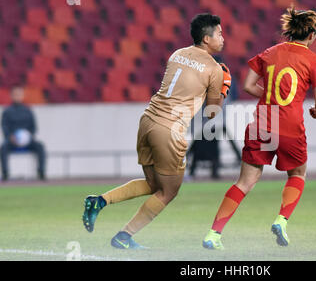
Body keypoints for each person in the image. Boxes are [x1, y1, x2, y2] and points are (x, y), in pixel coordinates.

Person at [82, 13, 231, 249]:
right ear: (206, 38)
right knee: (169, 191)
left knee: (154, 185)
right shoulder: (214, 69)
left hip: (148, 120)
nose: (223, 37)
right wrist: (223, 90)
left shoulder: (177, 54)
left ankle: (100, 201)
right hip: (169, 130)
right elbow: (212, 113)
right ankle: (124, 236)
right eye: (219, 33)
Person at [202, 7, 316, 250]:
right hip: (290, 126)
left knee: (244, 182)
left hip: (262, 122)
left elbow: (250, 85)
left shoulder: (270, 53)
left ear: (290, 31)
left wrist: (272, 97)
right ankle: (281, 220)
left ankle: (213, 234)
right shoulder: (314, 60)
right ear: (312, 34)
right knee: (298, 174)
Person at [1, 86, 46, 181]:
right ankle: (5, 173)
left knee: (40, 146)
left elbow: (33, 127)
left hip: (28, 141)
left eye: (19, 94)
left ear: (22, 95)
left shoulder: (28, 110)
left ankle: (41, 172)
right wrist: (10, 137)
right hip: (12, 141)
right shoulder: (7, 111)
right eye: (15, 94)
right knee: (3, 147)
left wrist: (29, 136)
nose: (17, 96)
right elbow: (4, 127)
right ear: (11, 95)